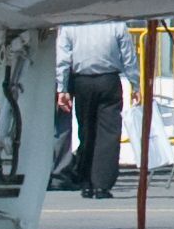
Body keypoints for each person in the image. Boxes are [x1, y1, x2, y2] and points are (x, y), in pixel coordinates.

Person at [55, 20, 131, 199]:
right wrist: (135, 82)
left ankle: (86, 181)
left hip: (82, 80)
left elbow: (63, 59)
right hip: (109, 79)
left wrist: (62, 88)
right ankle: (102, 184)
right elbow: (128, 55)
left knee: (86, 132)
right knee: (109, 134)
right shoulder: (117, 24)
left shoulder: (71, 25)